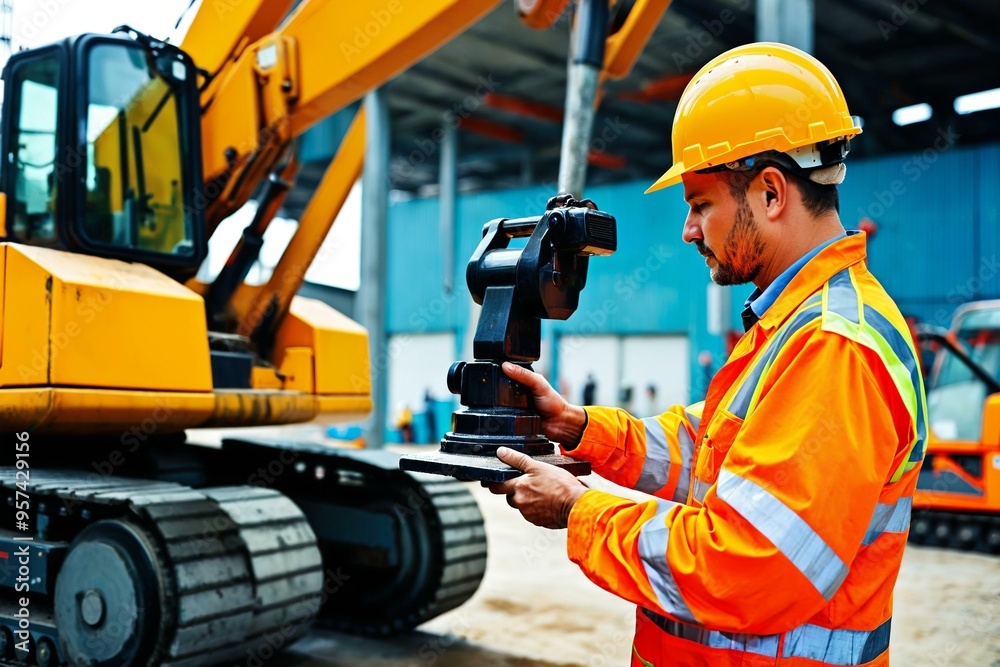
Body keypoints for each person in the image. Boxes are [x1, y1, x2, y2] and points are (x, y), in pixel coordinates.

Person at [488, 43, 926, 667]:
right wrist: (578, 427)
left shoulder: (832, 346)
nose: (689, 231)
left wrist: (579, 509)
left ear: (771, 194)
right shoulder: (791, 326)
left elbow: (748, 568)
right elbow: (709, 451)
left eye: (699, 205)